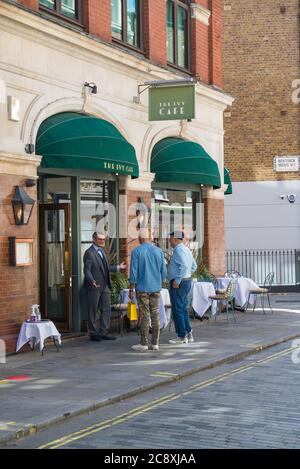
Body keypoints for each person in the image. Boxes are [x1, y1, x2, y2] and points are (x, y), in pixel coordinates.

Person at [83, 232, 126, 341]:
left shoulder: (102, 251)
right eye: (100, 239)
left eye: (103, 239)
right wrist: (91, 280)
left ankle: (103, 332)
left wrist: (118, 267)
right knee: (92, 310)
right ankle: (93, 333)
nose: (102, 241)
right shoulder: (89, 253)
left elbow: (105, 268)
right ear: (93, 239)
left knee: (106, 308)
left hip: (105, 285)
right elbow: (87, 270)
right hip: (94, 286)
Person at [129, 228, 167, 352]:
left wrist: (131, 288)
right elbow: (164, 271)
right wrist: (159, 281)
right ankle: (155, 343)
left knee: (145, 315)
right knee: (155, 314)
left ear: (140, 238)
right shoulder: (159, 251)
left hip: (142, 288)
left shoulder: (136, 251)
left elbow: (133, 273)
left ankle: (144, 343)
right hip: (156, 287)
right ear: (150, 238)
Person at [168, 231, 196, 345]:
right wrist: (186, 276)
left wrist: (178, 280)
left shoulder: (178, 250)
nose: (169, 241)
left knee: (177, 309)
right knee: (183, 308)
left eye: (170, 238)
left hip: (178, 283)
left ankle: (181, 336)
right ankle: (188, 333)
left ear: (175, 238)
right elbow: (194, 266)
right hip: (186, 281)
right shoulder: (186, 249)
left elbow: (184, 265)